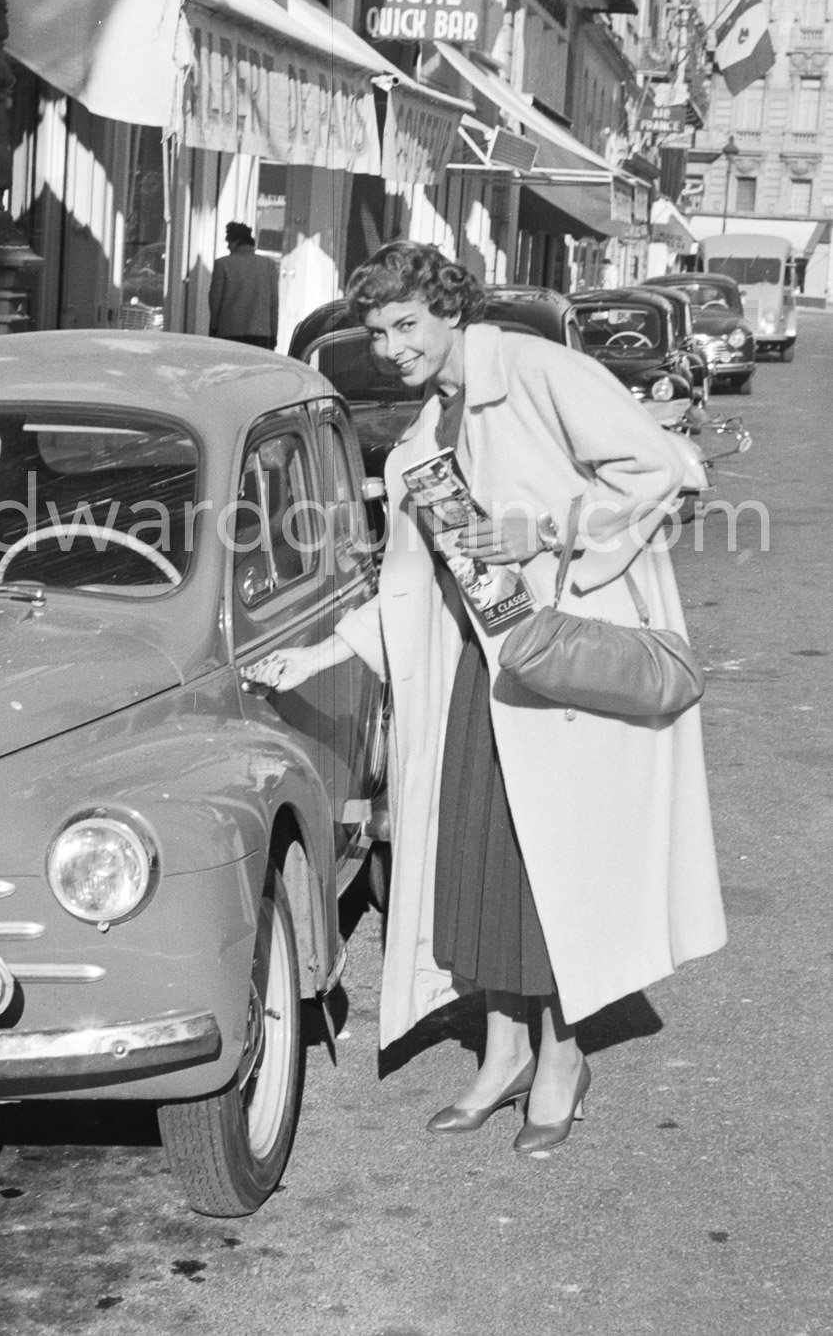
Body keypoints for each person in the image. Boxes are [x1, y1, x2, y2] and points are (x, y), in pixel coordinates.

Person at [247, 241, 725, 1154]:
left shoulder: (541, 370)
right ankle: (502, 1051)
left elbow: (661, 470)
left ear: (450, 308)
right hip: (481, 670)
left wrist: (546, 530)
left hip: (562, 661)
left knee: (554, 873)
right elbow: (407, 588)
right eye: (378, 331)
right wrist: (311, 659)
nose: (392, 348)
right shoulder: (427, 432)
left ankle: (563, 1055)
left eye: (407, 325)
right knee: (478, 862)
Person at [208, 222, 279, 350]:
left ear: (236, 242)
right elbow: (273, 304)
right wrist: (273, 334)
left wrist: (213, 329)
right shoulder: (269, 265)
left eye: (228, 242)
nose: (228, 246)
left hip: (230, 331)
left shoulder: (222, 264)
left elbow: (215, 303)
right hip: (261, 333)